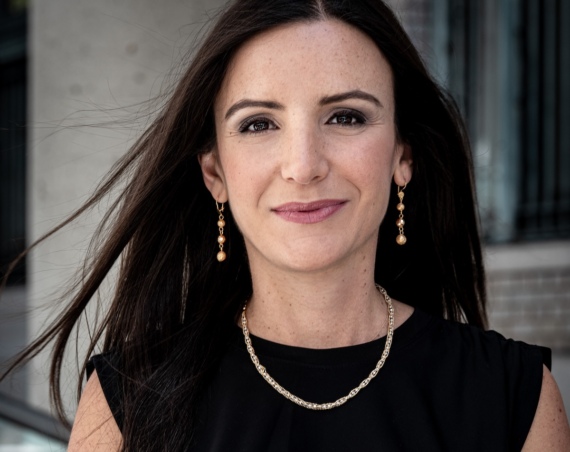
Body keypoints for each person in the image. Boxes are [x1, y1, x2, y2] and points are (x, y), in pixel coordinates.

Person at [2, 0, 569, 450]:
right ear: (214, 173)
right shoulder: (128, 400)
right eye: (258, 124)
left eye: (346, 117)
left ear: (403, 156)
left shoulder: (513, 398)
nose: (303, 166)